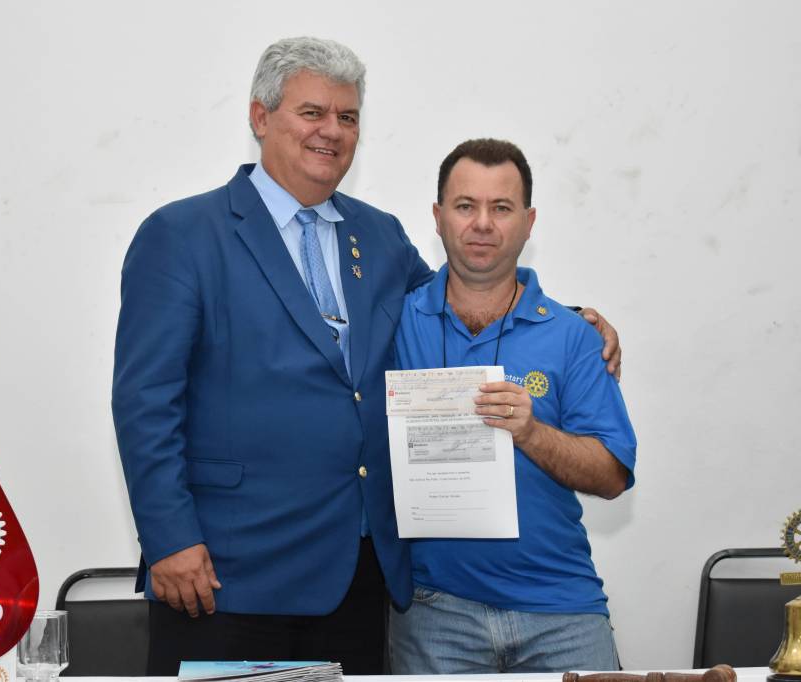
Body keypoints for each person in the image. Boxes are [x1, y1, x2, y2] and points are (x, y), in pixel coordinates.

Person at [112, 38, 621, 674]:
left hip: (356, 577)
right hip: (224, 573)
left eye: (347, 117)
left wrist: (569, 322)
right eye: (312, 112)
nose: (331, 130)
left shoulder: (377, 234)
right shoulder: (182, 234)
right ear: (260, 117)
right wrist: (169, 538)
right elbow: (144, 400)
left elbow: (457, 302)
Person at [388, 138, 636, 674]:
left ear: (528, 222)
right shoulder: (392, 321)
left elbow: (613, 477)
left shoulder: (573, 336)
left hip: (563, 612)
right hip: (433, 611)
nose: (482, 224)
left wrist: (531, 432)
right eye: (465, 206)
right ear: (438, 218)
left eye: (501, 208)